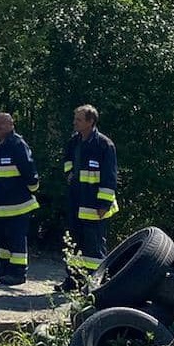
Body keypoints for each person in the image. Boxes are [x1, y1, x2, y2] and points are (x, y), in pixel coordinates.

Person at [58, 104, 119, 292]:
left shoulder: (104, 145)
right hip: (76, 201)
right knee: (74, 242)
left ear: (91, 121)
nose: (74, 123)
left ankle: (95, 285)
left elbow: (110, 177)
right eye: (75, 119)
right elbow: (67, 160)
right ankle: (73, 280)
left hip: (94, 205)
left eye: (79, 119)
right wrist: (69, 174)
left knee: (94, 247)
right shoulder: (74, 142)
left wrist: (103, 204)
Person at [0, 113, 40, 286]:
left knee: (16, 238)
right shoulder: (0, 145)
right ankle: (5, 266)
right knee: (3, 236)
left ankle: (18, 272)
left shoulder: (17, 144)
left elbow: (29, 170)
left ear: (11, 124)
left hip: (19, 203)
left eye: (2, 124)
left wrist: (32, 188)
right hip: (3, 202)